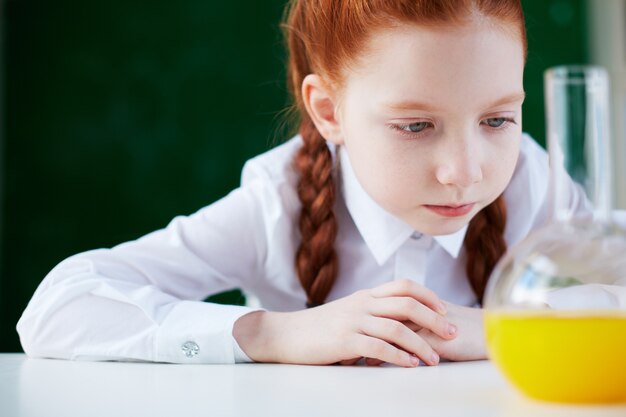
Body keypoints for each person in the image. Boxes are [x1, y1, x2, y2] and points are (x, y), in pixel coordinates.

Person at [16, 0, 588, 367]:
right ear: (329, 111)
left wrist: (500, 331)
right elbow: (56, 309)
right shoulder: (277, 204)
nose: (465, 171)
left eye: (497, 120)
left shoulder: (534, 184)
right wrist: (276, 336)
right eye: (415, 125)